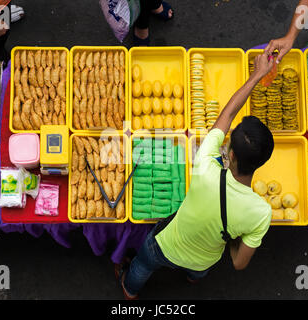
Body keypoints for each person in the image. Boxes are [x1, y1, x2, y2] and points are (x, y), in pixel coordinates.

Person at [116, 53, 276, 300]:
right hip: (205, 258)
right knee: (198, 271)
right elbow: (238, 262)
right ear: (263, 161)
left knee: (143, 265)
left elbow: (229, 113)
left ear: (230, 153)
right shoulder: (261, 213)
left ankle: (129, 290)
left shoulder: (204, 165)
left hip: (166, 244)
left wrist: (257, 75)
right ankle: (191, 278)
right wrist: (232, 234)